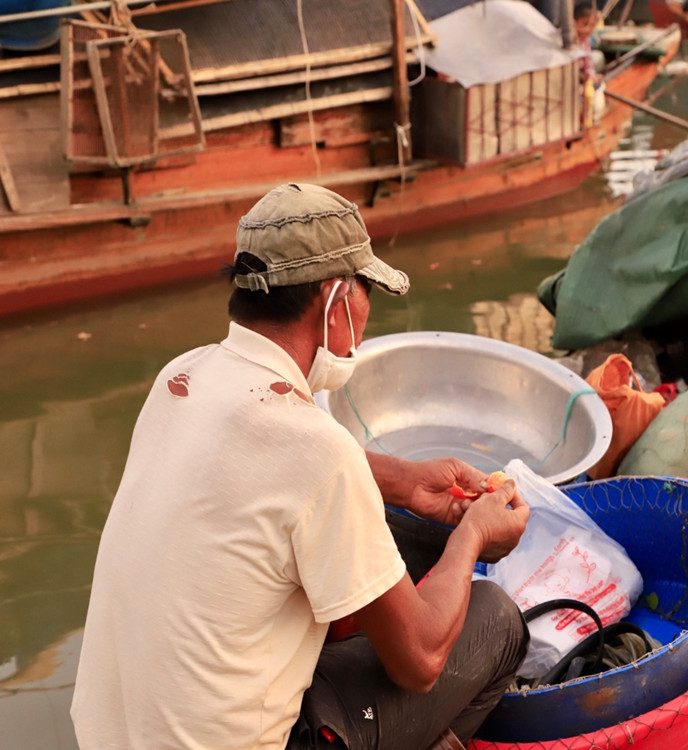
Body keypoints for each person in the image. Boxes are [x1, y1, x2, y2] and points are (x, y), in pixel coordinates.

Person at [70, 183, 531, 750]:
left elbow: (265, 463)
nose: (366, 316)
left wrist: (405, 482)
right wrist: (474, 533)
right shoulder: (316, 450)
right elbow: (421, 662)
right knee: (496, 618)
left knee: (376, 544)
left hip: (111, 736)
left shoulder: (180, 380)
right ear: (336, 299)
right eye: (366, 293)